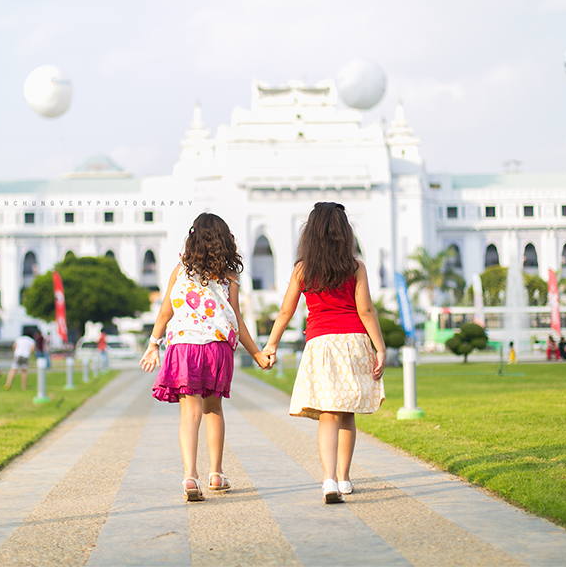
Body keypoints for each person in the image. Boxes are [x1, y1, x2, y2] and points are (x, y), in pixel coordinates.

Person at [140, 213, 270, 502]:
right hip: (217, 348)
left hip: (184, 346)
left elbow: (165, 312)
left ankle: (190, 476)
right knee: (214, 409)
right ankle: (216, 473)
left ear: (192, 237)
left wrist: (153, 344)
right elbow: (236, 320)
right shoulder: (229, 276)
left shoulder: (180, 270)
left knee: (190, 413)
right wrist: (257, 354)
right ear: (225, 240)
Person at [263, 202, 386, 504]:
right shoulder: (355, 267)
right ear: (344, 232)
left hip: (320, 344)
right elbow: (366, 310)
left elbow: (285, 311)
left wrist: (271, 344)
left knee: (328, 414)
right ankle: (344, 479)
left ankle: (329, 478)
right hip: (354, 342)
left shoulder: (303, 269)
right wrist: (380, 346)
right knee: (347, 413)